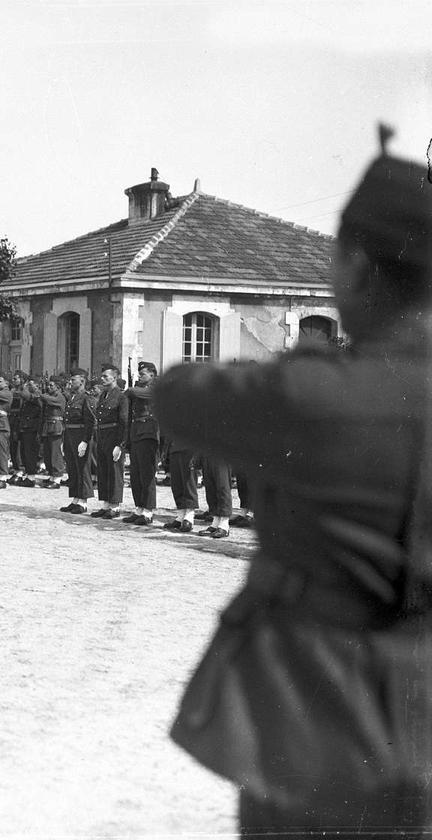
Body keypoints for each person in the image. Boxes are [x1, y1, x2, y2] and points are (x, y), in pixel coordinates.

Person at [157, 133, 432, 834]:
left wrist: (305, 364)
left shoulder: (315, 397)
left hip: (317, 720)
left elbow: (178, 396)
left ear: (360, 269)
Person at [84, 362, 128, 519]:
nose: (102, 379)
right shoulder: (103, 395)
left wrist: (120, 444)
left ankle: (115, 506)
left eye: (105, 376)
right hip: (102, 436)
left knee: (115, 471)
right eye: (101, 376)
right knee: (103, 470)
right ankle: (106, 504)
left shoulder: (121, 396)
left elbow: (124, 422)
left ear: (115, 378)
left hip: (114, 436)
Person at [124, 361, 160, 525]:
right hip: (137, 432)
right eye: (138, 375)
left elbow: (134, 392)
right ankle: (139, 507)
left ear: (152, 375)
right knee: (136, 474)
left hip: (148, 432)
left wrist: (131, 389)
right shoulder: (140, 389)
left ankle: (148, 511)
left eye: (142, 374)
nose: (140, 377)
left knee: (146, 474)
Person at [61, 368, 96, 512]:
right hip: (70, 435)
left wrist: (86, 440)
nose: (71, 382)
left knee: (82, 467)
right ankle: (75, 498)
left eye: (73, 380)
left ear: (82, 381)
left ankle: (83, 501)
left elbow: (90, 421)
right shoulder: (73, 398)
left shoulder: (87, 398)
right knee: (72, 467)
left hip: (80, 435)